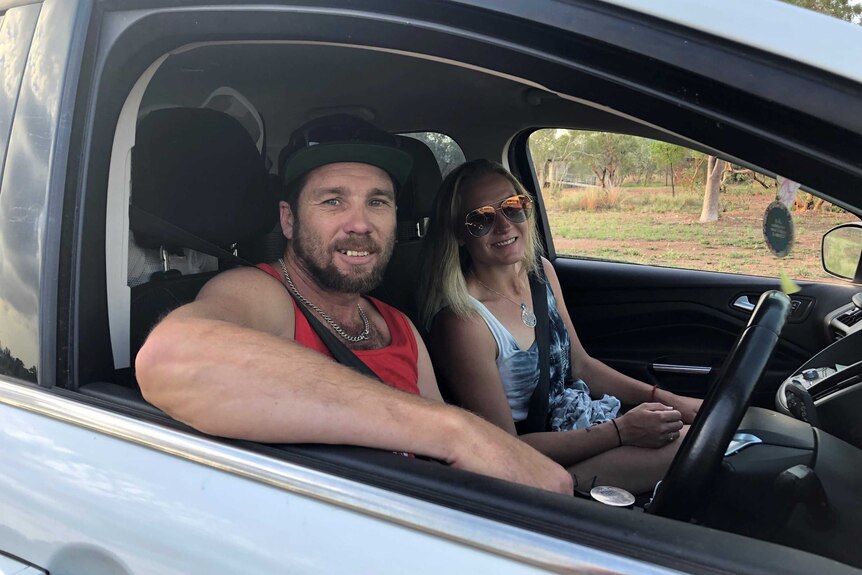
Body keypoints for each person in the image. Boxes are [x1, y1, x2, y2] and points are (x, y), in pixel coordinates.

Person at [135, 115, 573, 495]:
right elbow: (169, 357)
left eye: (377, 202)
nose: (360, 224)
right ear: (289, 219)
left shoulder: (399, 327)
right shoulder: (263, 295)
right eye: (332, 201)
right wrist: (458, 431)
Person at [419, 159, 703, 495]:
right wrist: (621, 431)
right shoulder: (464, 321)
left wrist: (668, 398)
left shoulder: (539, 273)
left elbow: (580, 365)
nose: (504, 225)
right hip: (539, 463)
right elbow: (504, 447)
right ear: (459, 235)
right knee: (698, 449)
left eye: (513, 207)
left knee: (706, 429)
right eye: (480, 219)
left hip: (582, 423)